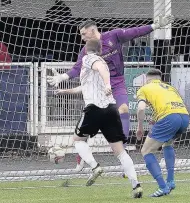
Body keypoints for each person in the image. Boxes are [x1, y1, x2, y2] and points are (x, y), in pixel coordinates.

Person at [48, 15, 174, 171]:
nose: (82, 38)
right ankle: (81, 158)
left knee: (124, 110)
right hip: (99, 89)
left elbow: (135, 32)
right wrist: (62, 77)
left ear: (92, 30)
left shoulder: (113, 36)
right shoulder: (85, 50)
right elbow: (77, 68)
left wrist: (155, 26)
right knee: (89, 123)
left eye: (83, 34)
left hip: (118, 83)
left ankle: (124, 148)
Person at [55, 39, 143, 198]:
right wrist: (65, 91)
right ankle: (136, 185)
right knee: (120, 152)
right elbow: (84, 87)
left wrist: (108, 85)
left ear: (85, 51)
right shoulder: (93, 68)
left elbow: (99, 66)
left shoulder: (90, 59)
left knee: (78, 140)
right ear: (101, 49)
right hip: (110, 110)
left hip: (94, 109)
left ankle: (95, 167)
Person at [135, 69, 189, 197]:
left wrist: (140, 127)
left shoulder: (145, 88)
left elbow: (141, 108)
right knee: (167, 144)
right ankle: (170, 181)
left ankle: (163, 187)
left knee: (146, 151)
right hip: (184, 117)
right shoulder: (170, 87)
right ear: (160, 78)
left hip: (169, 117)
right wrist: (155, 119)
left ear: (146, 80)